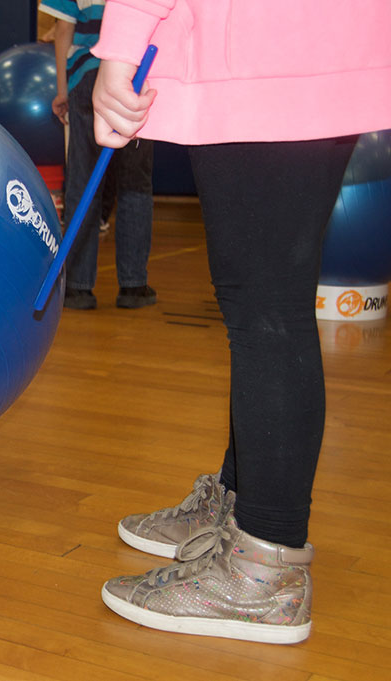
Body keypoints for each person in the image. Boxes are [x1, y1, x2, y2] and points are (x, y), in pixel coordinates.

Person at [89, 0, 391, 643]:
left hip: (263, 48)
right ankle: (243, 502)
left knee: (266, 308)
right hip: (324, 40)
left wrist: (122, 43)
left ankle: (263, 568)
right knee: (269, 300)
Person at [41, 0, 156, 311]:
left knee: (82, 180)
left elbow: (64, 28)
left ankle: (78, 287)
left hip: (87, 75)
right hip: (134, 76)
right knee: (135, 183)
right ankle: (134, 285)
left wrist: (63, 90)